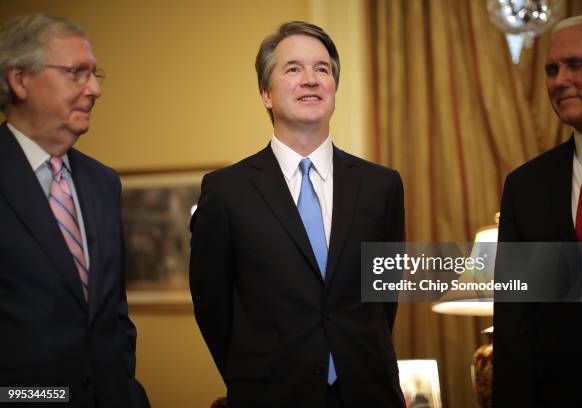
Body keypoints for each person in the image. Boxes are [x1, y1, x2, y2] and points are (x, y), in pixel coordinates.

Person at [190, 21, 406, 408]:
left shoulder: (382, 186)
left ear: (334, 88)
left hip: (368, 392)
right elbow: (212, 306)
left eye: (322, 69)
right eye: (293, 69)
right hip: (270, 394)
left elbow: (384, 298)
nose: (310, 79)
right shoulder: (226, 191)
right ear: (266, 94)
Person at [0, 14, 149, 407]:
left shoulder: (103, 182)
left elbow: (113, 316)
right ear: (20, 79)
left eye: (94, 73)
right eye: (77, 73)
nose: (95, 89)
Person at [493, 15, 582, 407]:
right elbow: (514, 327)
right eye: (551, 69)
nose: (559, 80)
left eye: (575, 64)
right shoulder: (525, 187)